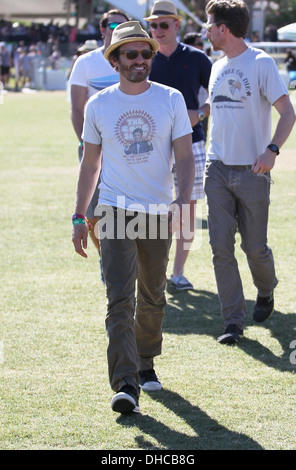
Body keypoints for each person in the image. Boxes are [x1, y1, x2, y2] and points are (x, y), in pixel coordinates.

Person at [72, 21, 194, 414]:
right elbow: (90, 165)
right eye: (131, 54)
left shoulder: (170, 98)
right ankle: (125, 384)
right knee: (119, 298)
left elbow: (185, 156)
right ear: (115, 59)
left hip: (158, 211)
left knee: (153, 296)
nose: (139, 60)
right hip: (114, 210)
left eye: (146, 53)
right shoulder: (99, 104)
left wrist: (183, 200)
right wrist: (78, 216)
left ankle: (145, 362)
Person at [204, 0, 296, 344]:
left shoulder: (261, 63)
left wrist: (272, 151)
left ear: (224, 29)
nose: (207, 31)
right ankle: (233, 321)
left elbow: (288, 113)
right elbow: (218, 110)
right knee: (219, 248)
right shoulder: (216, 66)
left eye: (210, 26)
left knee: (255, 248)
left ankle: (266, 290)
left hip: (253, 171)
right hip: (216, 169)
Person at [145, 1, 212, 291]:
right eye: (153, 25)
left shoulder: (197, 58)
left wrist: (202, 112)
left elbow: (218, 93)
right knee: (150, 207)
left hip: (192, 141)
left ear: (177, 25)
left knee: (187, 206)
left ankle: (178, 272)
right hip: (151, 145)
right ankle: (153, 270)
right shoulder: (143, 57)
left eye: (163, 24)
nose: (157, 30)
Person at [69, 9, 129, 281]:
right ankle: (106, 254)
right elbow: (76, 107)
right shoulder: (86, 63)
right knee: (93, 211)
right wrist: (86, 142)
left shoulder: (133, 59)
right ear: (103, 29)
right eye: (114, 24)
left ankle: (123, 257)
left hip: (128, 148)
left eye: (124, 25)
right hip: (95, 146)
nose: (118, 28)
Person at [183, 32, 210, 141]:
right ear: (189, 45)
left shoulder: (204, 60)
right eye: (199, 43)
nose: (202, 46)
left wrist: (201, 112)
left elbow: (216, 93)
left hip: (201, 113)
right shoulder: (183, 63)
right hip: (188, 115)